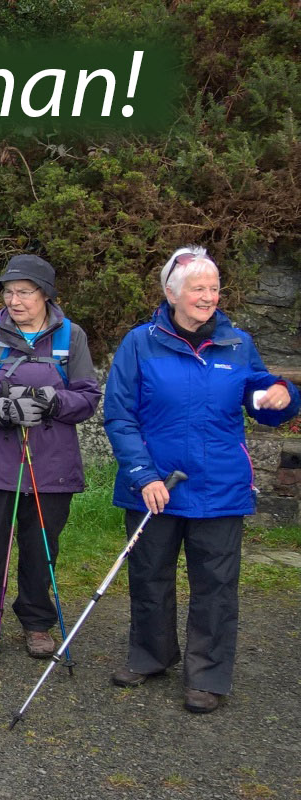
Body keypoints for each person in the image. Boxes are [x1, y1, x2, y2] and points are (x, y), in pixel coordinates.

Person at [104, 245, 299, 714]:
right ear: (172, 293)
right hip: (156, 486)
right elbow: (120, 416)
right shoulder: (139, 342)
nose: (208, 296)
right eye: (198, 288)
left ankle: (207, 675)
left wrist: (280, 395)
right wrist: (142, 475)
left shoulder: (237, 343)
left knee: (215, 584)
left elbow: (260, 396)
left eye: (213, 288)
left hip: (220, 487)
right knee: (149, 576)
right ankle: (152, 656)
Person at [0, 255, 102, 658]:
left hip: (51, 464)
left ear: (46, 295)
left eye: (24, 292)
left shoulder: (72, 337)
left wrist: (54, 402)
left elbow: (89, 397)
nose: (14, 300)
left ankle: (37, 623)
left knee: (41, 547)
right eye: (8, 292)